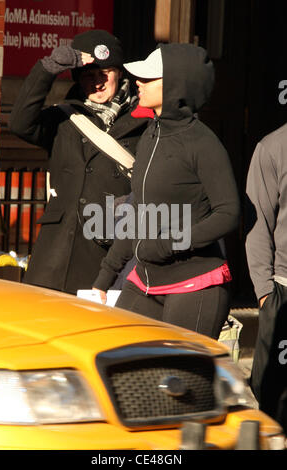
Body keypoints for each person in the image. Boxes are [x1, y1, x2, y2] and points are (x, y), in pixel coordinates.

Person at [92, 43, 240, 339]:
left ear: (175, 85)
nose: (138, 82)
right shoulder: (150, 135)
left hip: (196, 284)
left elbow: (229, 213)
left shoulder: (203, 143)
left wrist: (168, 245)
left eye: (149, 78)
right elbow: (138, 212)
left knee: (181, 381)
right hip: (144, 278)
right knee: (118, 358)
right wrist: (104, 278)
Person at [9, 30, 149, 294]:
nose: (97, 83)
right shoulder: (63, 119)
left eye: (104, 74)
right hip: (56, 257)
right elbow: (19, 123)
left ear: (119, 73)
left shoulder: (145, 123)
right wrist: (47, 70)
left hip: (108, 256)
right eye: (88, 75)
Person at [245, 124, 287, 432]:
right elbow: (257, 224)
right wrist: (265, 293)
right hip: (283, 289)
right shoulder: (273, 146)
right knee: (271, 391)